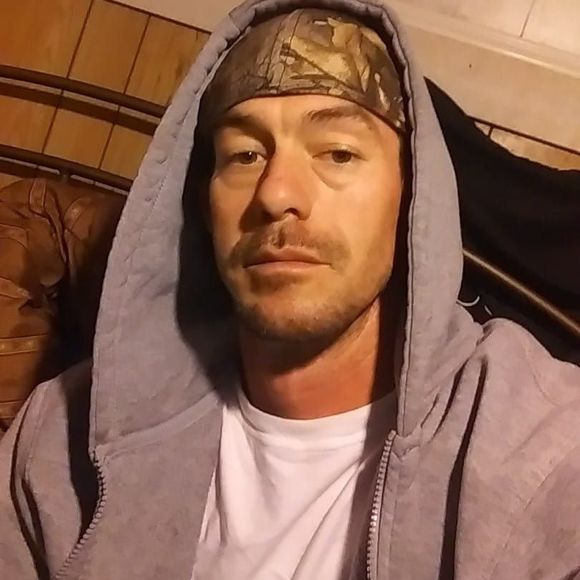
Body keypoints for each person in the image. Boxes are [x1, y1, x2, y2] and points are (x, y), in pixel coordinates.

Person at [1, 0, 579, 578]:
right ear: (203, 204)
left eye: (339, 153)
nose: (276, 193)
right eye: (244, 155)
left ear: (413, 198)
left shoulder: (544, 456)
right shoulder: (56, 438)